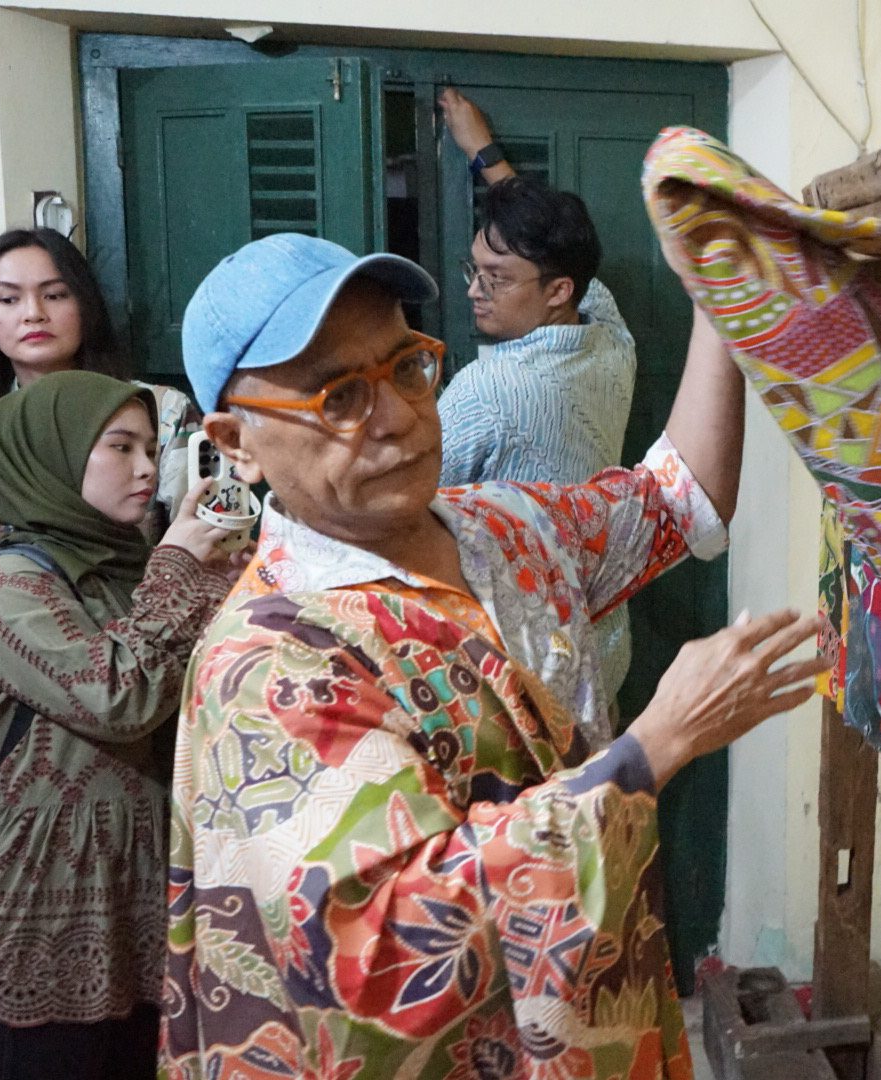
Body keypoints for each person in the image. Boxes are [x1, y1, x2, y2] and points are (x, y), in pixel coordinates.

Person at [162, 233, 822, 1078]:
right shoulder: (268, 661)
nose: (398, 416)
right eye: (338, 398)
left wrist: (717, 307)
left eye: (407, 369)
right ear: (237, 441)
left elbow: (675, 498)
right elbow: (384, 946)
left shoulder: (502, 528)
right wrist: (654, 747)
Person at [0, 371, 235, 1078]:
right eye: (120, 447)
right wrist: (178, 565)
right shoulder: (10, 584)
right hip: (41, 897)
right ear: (53, 455)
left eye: (151, 447)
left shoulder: (129, 564)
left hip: (140, 885)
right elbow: (118, 697)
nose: (146, 468)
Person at [437, 87, 638, 744]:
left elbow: (407, 506)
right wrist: (485, 157)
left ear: (556, 293)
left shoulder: (484, 391)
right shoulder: (610, 337)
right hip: (604, 652)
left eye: (495, 278)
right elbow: (563, 255)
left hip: (521, 685)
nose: (473, 289)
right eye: (475, 268)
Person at [0, 228, 198, 626]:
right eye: (8, 299)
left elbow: (203, 544)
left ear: (85, 306)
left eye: (54, 295)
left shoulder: (162, 410)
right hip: (9, 658)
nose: (33, 312)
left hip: (137, 644)